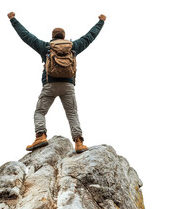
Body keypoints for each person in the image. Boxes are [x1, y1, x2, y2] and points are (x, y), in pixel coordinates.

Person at [7, 12, 106, 153]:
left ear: (53, 37)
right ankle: (78, 142)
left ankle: (40, 136)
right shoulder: (73, 47)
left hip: (50, 85)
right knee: (72, 113)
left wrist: (13, 19)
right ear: (64, 37)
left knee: (40, 112)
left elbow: (26, 36)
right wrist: (101, 22)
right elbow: (90, 37)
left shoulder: (46, 47)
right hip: (68, 86)